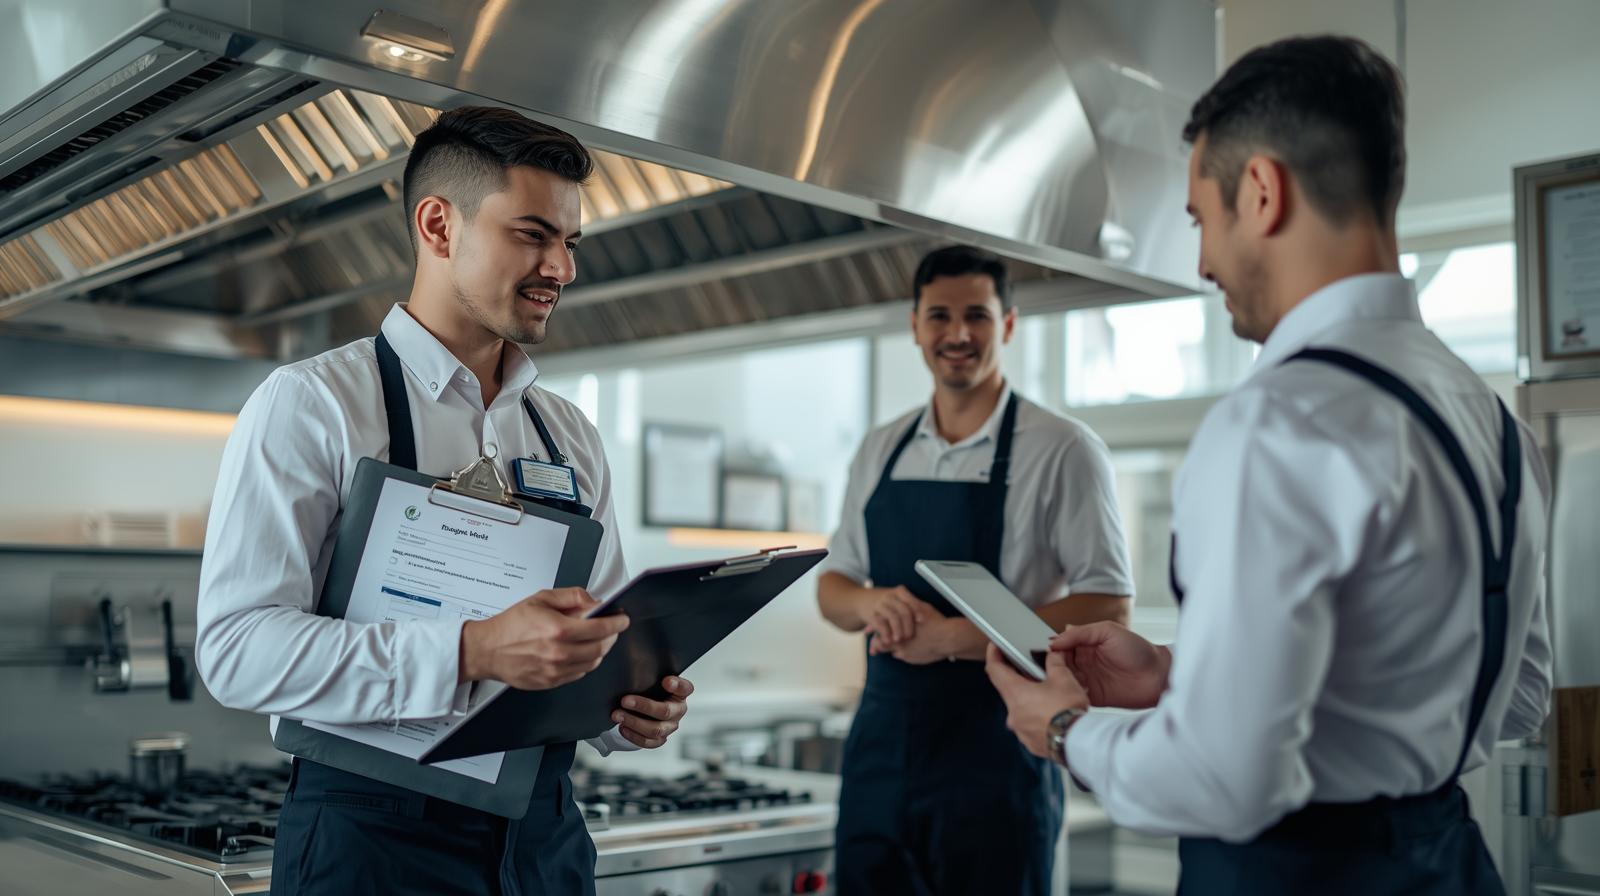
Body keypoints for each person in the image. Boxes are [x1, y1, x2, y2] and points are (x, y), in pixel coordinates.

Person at [985, 36, 1552, 895]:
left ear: (1260, 190)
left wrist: (1063, 728)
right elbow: (1515, 698)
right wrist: (1184, 675)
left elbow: (1225, 781)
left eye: (1200, 222)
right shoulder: (1495, 422)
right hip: (1451, 867)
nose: (1205, 263)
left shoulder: (1275, 422)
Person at [196, 106, 694, 896]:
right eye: (533, 234)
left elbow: (595, 638)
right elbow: (237, 651)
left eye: (570, 242)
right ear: (438, 226)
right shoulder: (313, 404)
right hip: (370, 844)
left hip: (545, 841)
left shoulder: (569, 435)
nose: (560, 268)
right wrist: (470, 650)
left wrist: (631, 713)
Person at [818, 245, 1135, 896]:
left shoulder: (1063, 448)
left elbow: (1108, 607)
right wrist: (872, 603)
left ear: (1009, 324)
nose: (957, 335)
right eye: (939, 316)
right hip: (880, 751)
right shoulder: (880, 446)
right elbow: (833, 586)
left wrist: (954, 637)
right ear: (915, 326)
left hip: (999, 750)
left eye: (977, 316)